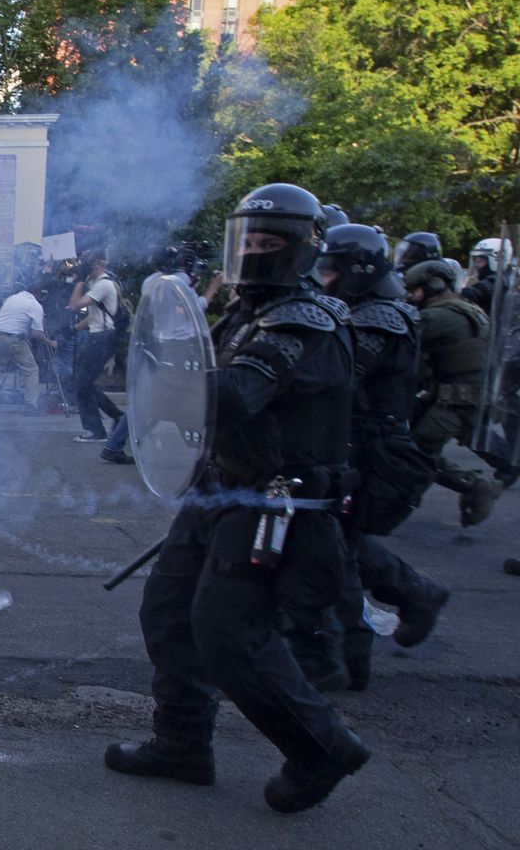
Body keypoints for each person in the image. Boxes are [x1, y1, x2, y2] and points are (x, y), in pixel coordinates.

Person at [106, 183, 369, 815]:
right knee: (168, 612)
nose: (252, 251)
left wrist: (164, 381)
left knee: (228, 632)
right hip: (220, 488)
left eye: (268, 241)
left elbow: (232, 396)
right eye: (246, 239)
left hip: (275, 503)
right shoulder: (247, 314)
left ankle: (322, 747)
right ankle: (181, 744)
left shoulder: (304, 320)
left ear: (302, 247)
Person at [283, 224, 450, 691]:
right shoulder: (373, 310)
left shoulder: (379, 319)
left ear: (358, 269)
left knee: (332, 548)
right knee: (338, 543)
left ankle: (345, 659)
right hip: (352, 443)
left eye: (331, 270)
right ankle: (413, 596)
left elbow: (334, 376)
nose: (325, 278)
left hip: (370, 450)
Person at [403, 258, 511, 525]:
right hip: (458, 395)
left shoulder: (438, 316)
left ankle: (475, 486)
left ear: (434, 286)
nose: (410, 296)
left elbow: (400, 338)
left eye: (414, 290)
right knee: (412, 443)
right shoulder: (461, 307)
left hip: (458, 398)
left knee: (417, 450)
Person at [0, 278, 53, 411]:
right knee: (31, 370)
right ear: (38, 293)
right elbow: (37, 333)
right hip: (12, 339)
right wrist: (50, 342)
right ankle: (30, 404)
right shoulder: (35, 305)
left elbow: (12, 320)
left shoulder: (12, 298)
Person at [69, 255, 125, 442]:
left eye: (90, 265)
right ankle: (118, 417)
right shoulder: (99, 284)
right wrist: (75, 328)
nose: (86, 268)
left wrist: (79, 280)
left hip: (101, 338)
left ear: (100, 264)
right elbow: (95, 315)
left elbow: (75, 305)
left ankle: (96, 431)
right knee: (85, 384)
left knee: (82, 385)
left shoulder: (103, 284)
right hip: (100, 337)